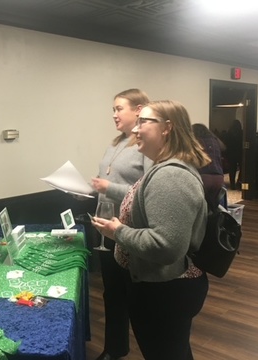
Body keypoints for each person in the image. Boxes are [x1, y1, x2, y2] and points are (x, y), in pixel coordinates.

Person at [92, 100, 210, 359]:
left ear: (167, 128)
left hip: (165, 291)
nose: (136, 129)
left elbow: (166, 245)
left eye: (144, 121)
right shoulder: (162, 168)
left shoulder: (171, 176)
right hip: (159, 287)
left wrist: (118, 232)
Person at [89, 88, 152, 360]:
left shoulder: (146, 145)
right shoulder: (115, 144)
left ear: (138, 110)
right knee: (111, 294)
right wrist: (87, 190)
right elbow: (104, 184)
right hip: (105, 229)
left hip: (130, 232)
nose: (114, 114)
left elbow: (149, 191)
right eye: (113, 109)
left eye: (119, 108)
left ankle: (151, 348)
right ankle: (115, 349)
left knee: (134, 297)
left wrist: (110, 187)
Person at [192, 123, 225, 208]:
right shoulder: (215, 141)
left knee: (201, 207)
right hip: (219, 177)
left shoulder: (196, 142)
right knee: (213, 207)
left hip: (203, 176)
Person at [225, 119, 243, 189]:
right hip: (240, 153)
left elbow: (226, 144)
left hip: (231, 153)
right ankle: (239, 182)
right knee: (242, 169)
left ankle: (232, 184)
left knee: (232, 169)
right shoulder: (242, 133)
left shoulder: (229, 133)